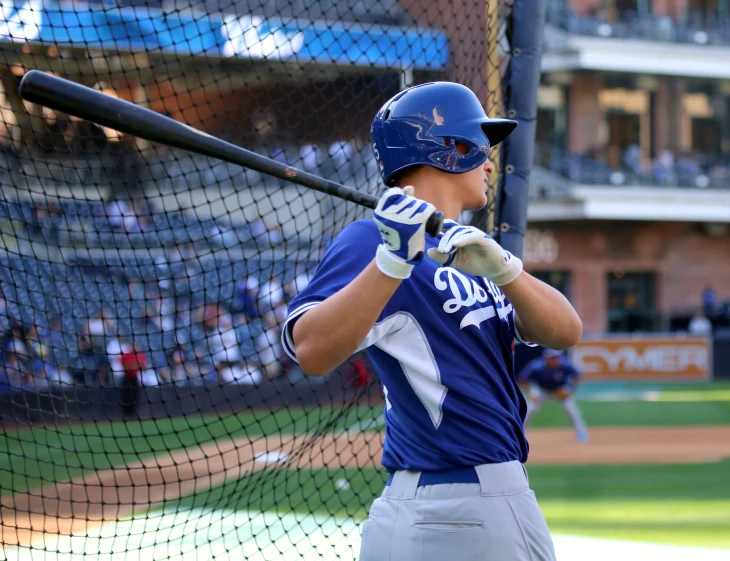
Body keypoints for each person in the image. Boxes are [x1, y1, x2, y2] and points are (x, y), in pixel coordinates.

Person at [282, 82, 582, 561]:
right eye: (481, 147)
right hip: (472, 506)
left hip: (434, 511)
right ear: (449, 149)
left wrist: (506, 268)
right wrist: (392, 261)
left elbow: (565, 331)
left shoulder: (474, 254)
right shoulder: (369, 241)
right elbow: (311, 351)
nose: (490, 162)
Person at [518, 348, 589, 442]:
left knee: (571, 409)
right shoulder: (536, 366)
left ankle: (581, 432)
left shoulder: (565, 364)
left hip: (559, 389)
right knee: (530, 409)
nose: (556, 360)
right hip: (541, 390)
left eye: (557, 358)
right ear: (546, 358)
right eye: (553, 358)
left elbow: (578, 376)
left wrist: (569, 390)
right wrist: (530, 393)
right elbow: (523, 380)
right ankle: (521, 434)